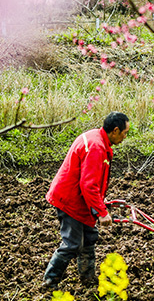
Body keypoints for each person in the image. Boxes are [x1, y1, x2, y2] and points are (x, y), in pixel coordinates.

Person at [43, 112, 130, 288]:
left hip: (79, 198)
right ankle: (49, 281)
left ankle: (88, 279)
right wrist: (102, 212)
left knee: (89, 237)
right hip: (70, 200)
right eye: (124, 132)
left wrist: (97, 205)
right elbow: (88, 185)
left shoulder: (96, 137)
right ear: (115, 130)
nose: (125, 136)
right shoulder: (97, 148)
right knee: (72, 243)